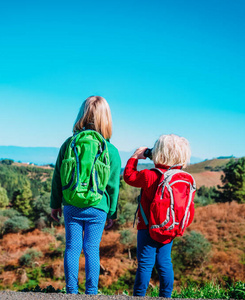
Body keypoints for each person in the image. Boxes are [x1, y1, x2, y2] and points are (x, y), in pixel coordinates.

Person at [50, 96, 121, 295]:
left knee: (72, 247)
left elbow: (58, 177)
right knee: (92, 249)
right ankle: (91, 292)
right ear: (106, 119)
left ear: (82, 115)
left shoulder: (69, 144)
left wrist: (55, 204)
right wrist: (112, 213)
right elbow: (113, 185)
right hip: (98, 206)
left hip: (72, 203)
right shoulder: (111, 150)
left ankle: (71, 291)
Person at [123, 134, 192, 297]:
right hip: (170, 227)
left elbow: (129, 176)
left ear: (158, 153)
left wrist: (134, 157)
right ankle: (166, 296)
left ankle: (139, 296)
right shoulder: (181, 178)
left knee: (145, 264)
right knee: (165, 263)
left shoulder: (150, 175)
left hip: (147, 227)